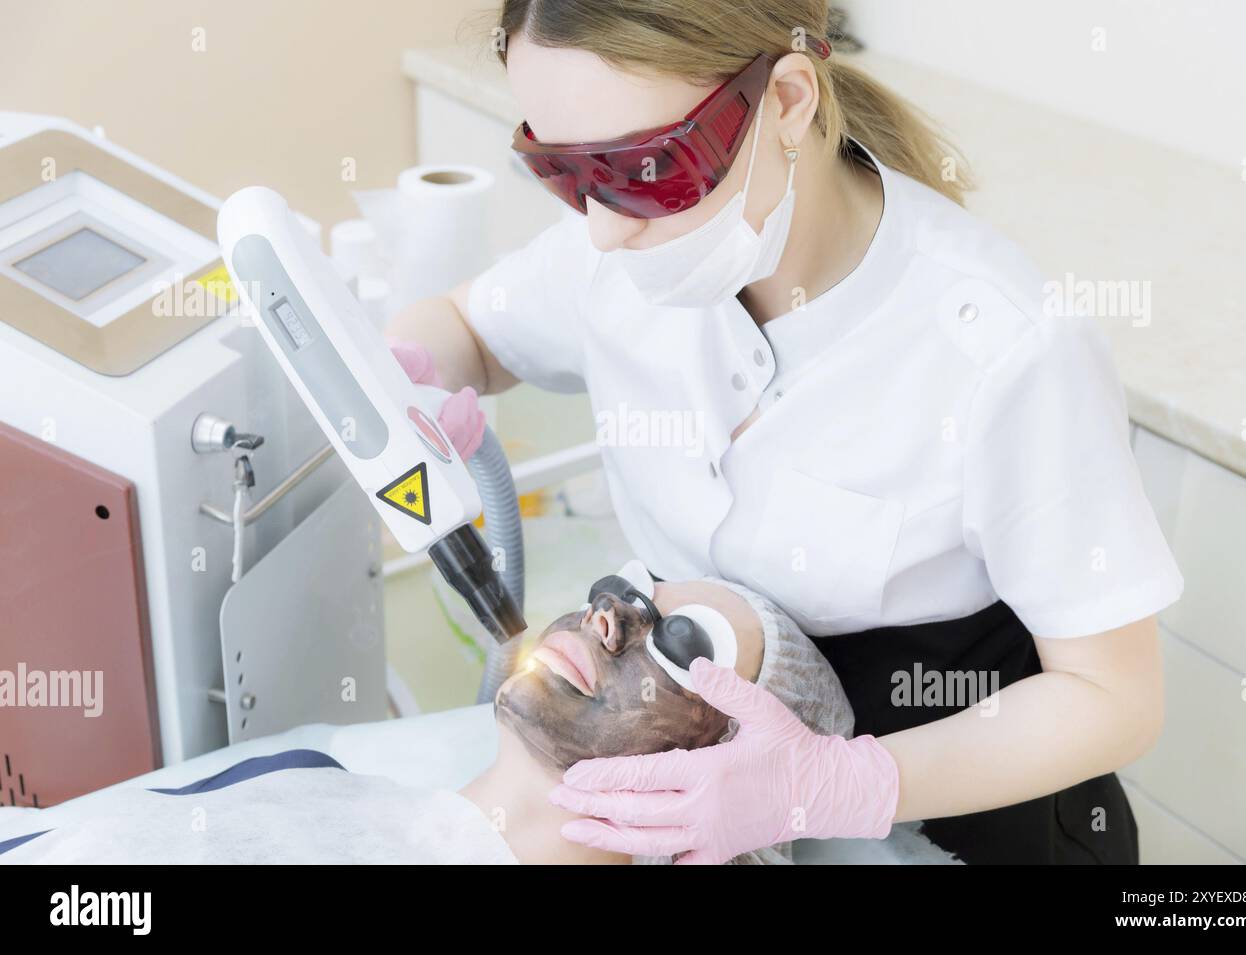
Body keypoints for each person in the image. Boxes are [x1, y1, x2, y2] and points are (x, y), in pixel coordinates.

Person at [387, 0, 1184, 864]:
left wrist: (834, 783)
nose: (605, 227)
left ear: (790, 101)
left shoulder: (1003, 347)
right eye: (562, 170)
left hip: (966, 822)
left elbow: (1114, 697)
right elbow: (466, 328)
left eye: (648, 166)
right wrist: (407, 380)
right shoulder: (610, 253)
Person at [0, 577, 863, 865]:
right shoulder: (309, 777)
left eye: (679, 641)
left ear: (732, 768)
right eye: (623, 589)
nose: (610, 616)